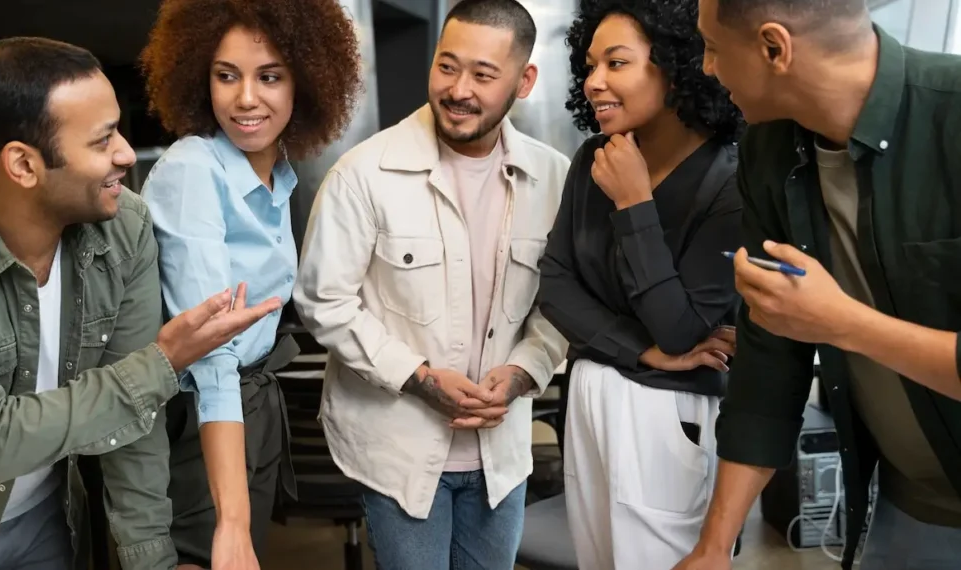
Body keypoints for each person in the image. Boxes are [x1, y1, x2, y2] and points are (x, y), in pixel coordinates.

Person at [0, 37, 278, 570]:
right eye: (103, 139)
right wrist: (160, 364)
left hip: (45, 521)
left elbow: (134, 425)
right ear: (23, 164)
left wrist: (150, 558)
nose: (127, 154)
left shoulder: (123, 226)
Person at [675, 0, 961, 568]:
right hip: (911, 512)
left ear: (774, 48)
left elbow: (820, 320)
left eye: (712, 46)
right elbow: (767, 362)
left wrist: (840, 323)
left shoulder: (950, 117)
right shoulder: (769, 151)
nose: (706, 68)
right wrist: (712, 550)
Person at [293, 0, 570, 567]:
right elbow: (324, 302)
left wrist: (523, 371)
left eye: (484, 75)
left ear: (524, 81)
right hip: (398, 454)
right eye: (447, 66)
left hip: (502, 458)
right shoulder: (363, 174)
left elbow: (563, 302)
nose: (459, 89)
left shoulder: (554, 177)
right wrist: (418, 378)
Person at [138, 1, 365, 568]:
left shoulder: (274, 176)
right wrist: (232, 522)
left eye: (269, 77)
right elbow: (209, 352)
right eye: (225, 75)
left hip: (255, 405)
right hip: (201, 420)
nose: (245, 98)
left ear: (305, 84)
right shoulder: (195, 170)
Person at [536, 0, 746, 567]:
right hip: (587, 394)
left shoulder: (730, 181)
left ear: (677, 65)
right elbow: (553, 283)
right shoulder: (592, 158)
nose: (594, 80)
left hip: (666, 413)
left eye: (616, 63)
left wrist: (634, 202)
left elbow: (680, 331)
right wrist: (639, 350)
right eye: (589, 65)